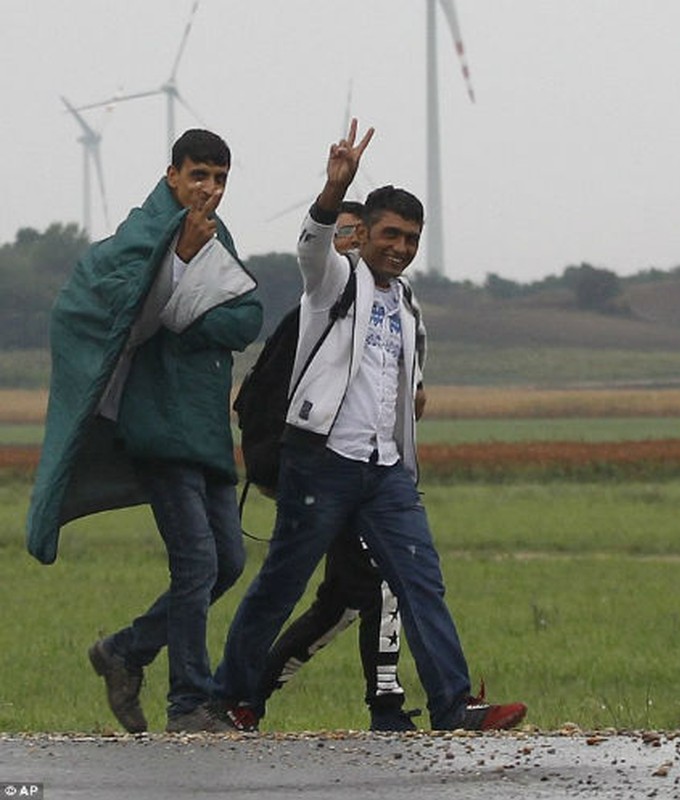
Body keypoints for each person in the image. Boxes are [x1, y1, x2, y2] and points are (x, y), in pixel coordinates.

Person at [213, 120, 526, 732]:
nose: (401, 248)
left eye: (412, 239)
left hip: (386, 472)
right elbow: (311, 244)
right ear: (365, 236)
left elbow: (397, 388)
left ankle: (453, 706)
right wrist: (335, 190)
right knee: (282, 583)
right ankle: (229, 695)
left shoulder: (407, 306)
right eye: (391, 235)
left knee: (421, 582)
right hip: (322, 463)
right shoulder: (336, 281)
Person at [25, 129, 263, 733]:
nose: (209, 189)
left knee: (229, 562)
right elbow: (123, 315)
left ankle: (125, 651)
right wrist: (181, 267)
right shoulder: (142, 234)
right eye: (199, 175)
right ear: (171, 175)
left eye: (219, 178)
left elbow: (247, 316)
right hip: (156, 425)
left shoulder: (218, 234)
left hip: (204, 427)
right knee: (196, 564)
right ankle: (189, 704)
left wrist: (187, 317)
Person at [257, 200, 427, 732]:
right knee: (371, 584)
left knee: (345, 599)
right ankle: (386, 708)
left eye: (359, 233)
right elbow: (266, 401)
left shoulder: (400, 304)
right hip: (318, 474)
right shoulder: (317, 311)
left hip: (374, 472)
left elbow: (407, 385)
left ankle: (247, 696)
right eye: (348, 233)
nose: (353, 243)